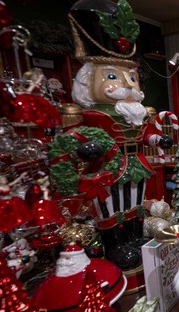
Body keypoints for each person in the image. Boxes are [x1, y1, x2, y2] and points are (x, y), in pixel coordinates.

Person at [61, 0, 173, 268]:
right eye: (112, 76)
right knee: (111, 208)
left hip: (136, 165)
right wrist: (85, 148)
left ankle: (135, 239)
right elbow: (74, 140)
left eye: (130, 78)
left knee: (135, 205)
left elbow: (146, 135)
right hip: (108, 168)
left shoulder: (133, 112)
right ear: (88, 80)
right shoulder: (93, 115)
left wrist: (159, 139)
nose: (126, 85)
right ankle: (115, 245)